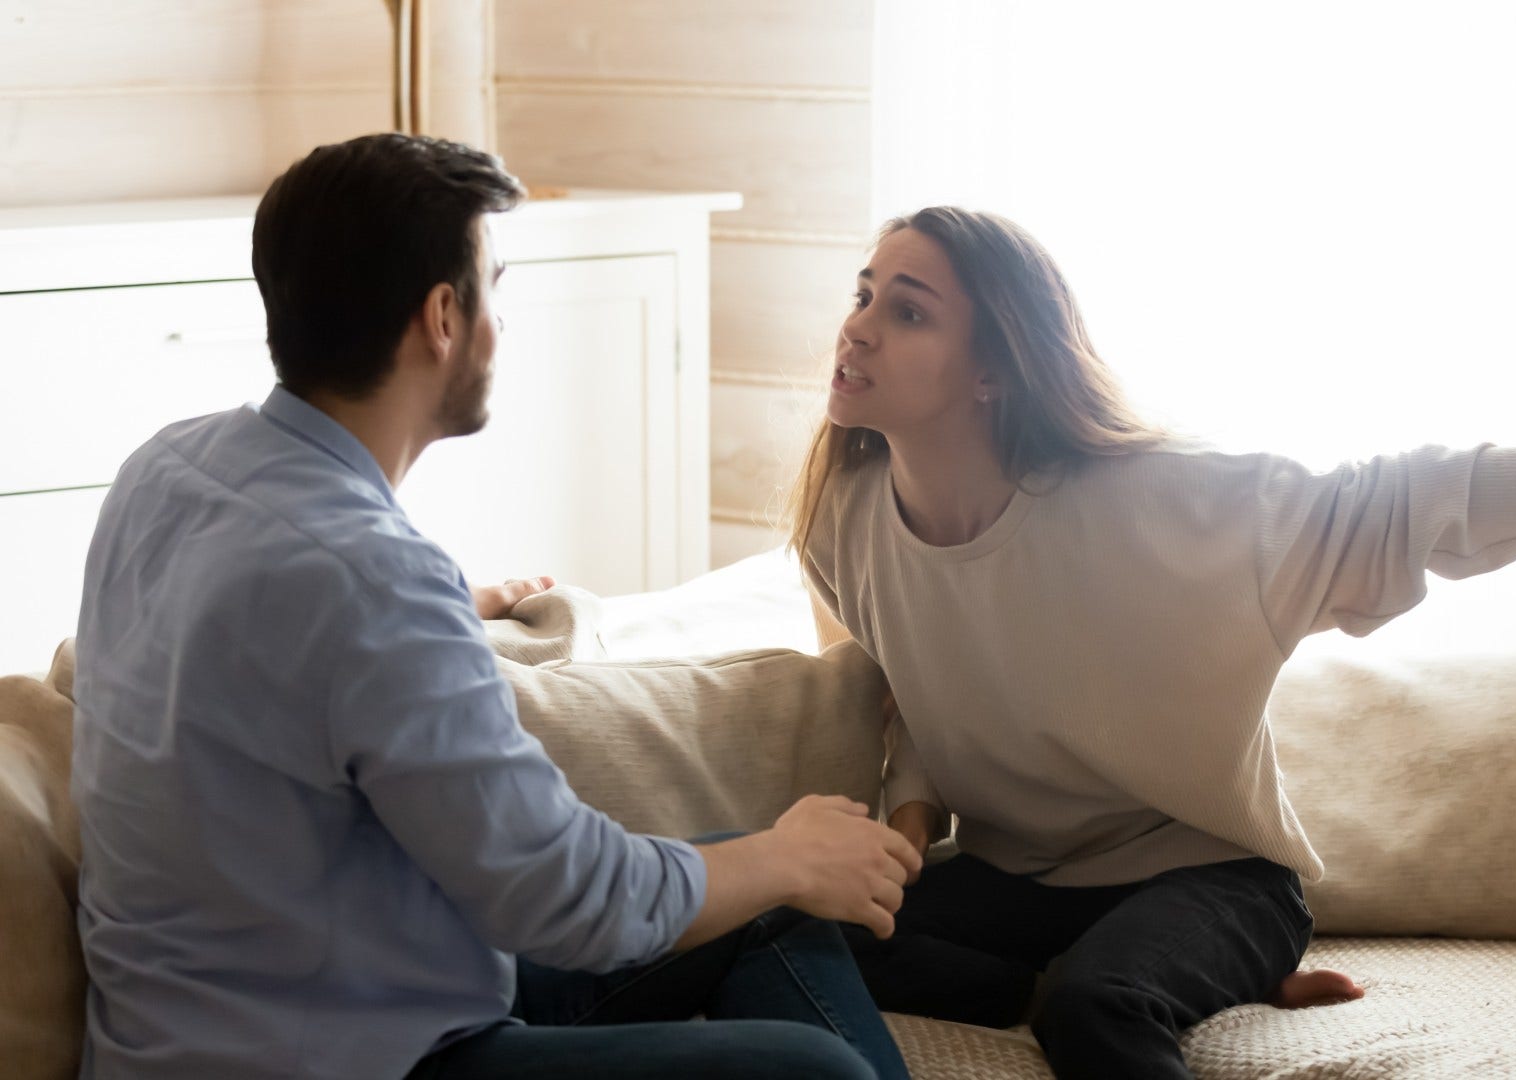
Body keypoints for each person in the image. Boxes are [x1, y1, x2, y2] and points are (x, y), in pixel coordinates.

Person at [785, 206, 1516, 1080]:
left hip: (1206, 878)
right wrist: (909, 830)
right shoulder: (844, 517)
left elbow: (1395, 502)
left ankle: (1165, 965)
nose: (861, 328)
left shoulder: (1158, 508)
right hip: (1020, 885)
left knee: (1094, 1012)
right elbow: (908, 691)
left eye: (909, 311)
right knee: (796, 934)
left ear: (993, 373)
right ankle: (1157, 974)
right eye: (864, 294)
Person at [71, 133, 917, 1080]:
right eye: (495, 288)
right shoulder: (372, 583)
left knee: (752, 884)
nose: (500, 325)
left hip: (300, 999)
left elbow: (279, 636)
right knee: (815, 1062)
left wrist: (448, 606)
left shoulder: (167, 470)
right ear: (442, 317)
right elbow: (566, 895)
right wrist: (789, 857)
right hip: (350, 1058)